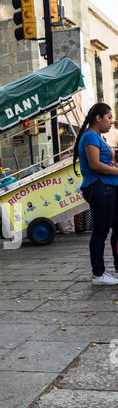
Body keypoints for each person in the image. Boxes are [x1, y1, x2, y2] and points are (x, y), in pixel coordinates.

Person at [73, 102, 118, 285]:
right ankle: (98, 274)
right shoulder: (90, 136)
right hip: (100, 189)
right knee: (100, 232)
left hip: (108, 188)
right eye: (108, 117)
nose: (111, 121)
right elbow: (95, 165)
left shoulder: (97, 137)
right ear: (98, 118)